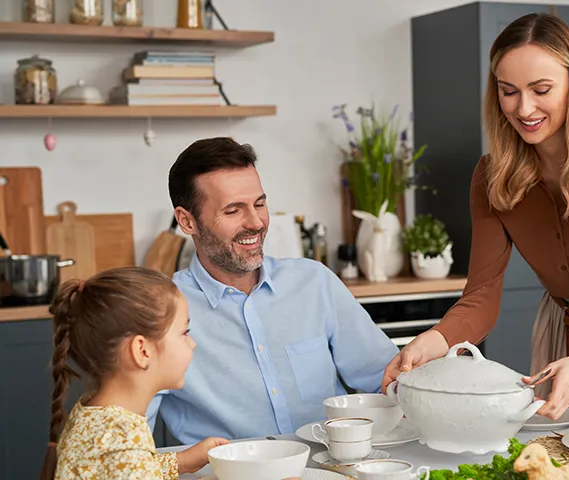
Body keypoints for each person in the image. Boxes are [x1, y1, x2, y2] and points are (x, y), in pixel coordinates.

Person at [382, 12, 569, 420]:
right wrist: (431, 341)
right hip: (561, 326)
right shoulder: (492, 176)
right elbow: (480, 298)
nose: (524, 108)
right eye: (509, 91)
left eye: (542, 89)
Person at [146, 137, 399, 444]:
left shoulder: (313, 282)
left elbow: (387, 380)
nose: (255, 223)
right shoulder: (160, 311)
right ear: (187, 221)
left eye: (259, 204)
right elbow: (127, 442)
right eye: (233, 211)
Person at [39, 267, 228, 480]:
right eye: (184, 332)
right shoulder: (124, 439)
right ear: (142, 351)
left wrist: (182, 461)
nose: (192, 344)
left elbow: (122, 469)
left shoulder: (96, 413)